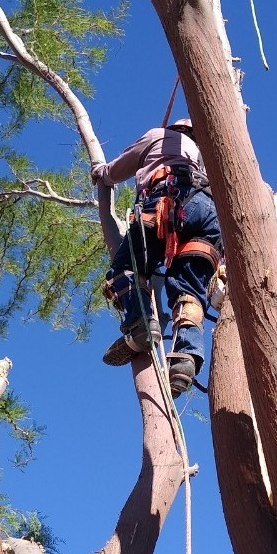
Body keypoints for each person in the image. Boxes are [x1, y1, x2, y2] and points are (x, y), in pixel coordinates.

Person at [92, 118, 222, 397]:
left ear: (176, 129)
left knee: (125, 268)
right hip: (208, 214)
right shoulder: (204, 159)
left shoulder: (160, 136)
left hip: (169, 199)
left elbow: (117, 169)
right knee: (189, 291)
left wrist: (101, 173)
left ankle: (140, 326)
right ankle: (185, 359)